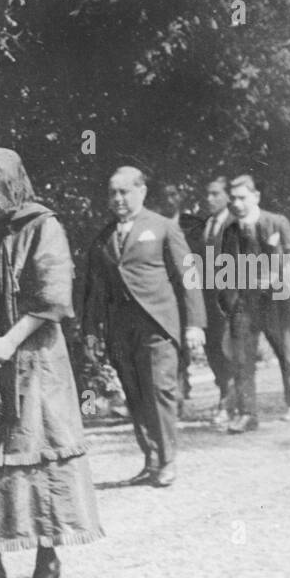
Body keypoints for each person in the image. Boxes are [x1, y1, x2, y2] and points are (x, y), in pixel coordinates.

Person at [0, 149, 103, 578]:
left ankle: (47, 557)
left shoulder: (44, 227)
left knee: (39, 452)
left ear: (7, 189)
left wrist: (8, 343)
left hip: (35, 360)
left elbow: (52, 298)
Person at [82, 166, 205, 488]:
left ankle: (167, 461)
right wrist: (92, 331)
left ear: (142, 192)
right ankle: (151, 459)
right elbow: (95, 289)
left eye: (124, 192)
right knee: (135, 394)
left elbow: (189, 276)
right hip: (120, 330)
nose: (118, 199)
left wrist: (195, 325)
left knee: (160, 391)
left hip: (158, 325)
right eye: (112, 193)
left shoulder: (163, 227)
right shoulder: (105, 236)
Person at [217, 174, 290, 432]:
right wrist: (230, 301)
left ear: (255, 197)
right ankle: (248, 414)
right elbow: (224, 270)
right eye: (232, 199)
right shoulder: (231, 230)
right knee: (243, 358)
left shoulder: (276, 222)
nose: (237, 204)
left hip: (276, 299)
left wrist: (280, 276)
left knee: (285, 350)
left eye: (242, 198)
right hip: (246, 301)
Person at [158, 183, 206, 415]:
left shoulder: (195, 225)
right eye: (165, 195)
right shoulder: (154, 226)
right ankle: (177, 394)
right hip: (168, 296)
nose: (170, 199)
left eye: (174, 193)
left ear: (181, 196)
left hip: (195, 291)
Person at [200, 176, 236, 425]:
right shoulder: (206, 225)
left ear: (228, 197)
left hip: (229, 299)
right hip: (208, 298)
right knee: (212, 349)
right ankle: (225, 393)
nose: (210, 199)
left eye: (215, 194)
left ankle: (228, 401)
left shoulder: (234, 224)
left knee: (227, 349)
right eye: (208, 194)